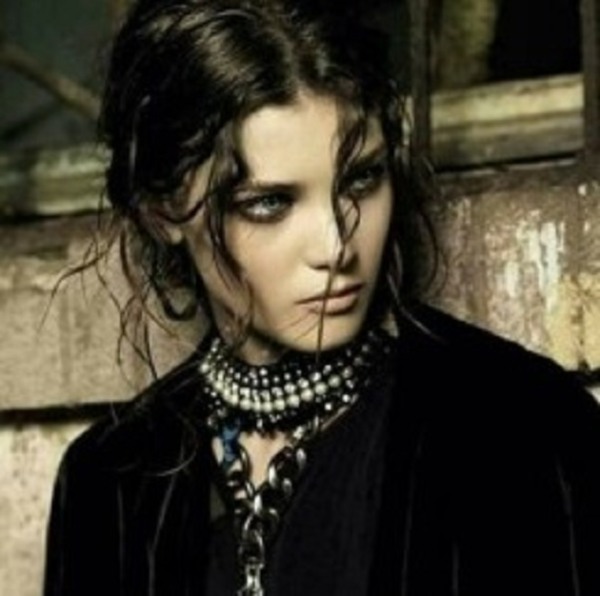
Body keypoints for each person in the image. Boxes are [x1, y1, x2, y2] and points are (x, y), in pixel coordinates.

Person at [43, 0, 600, 595]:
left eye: (362, 179)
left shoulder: (521, 428)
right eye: (270, 203)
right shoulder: (109, 482)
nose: (337, 246)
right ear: (163, 212)